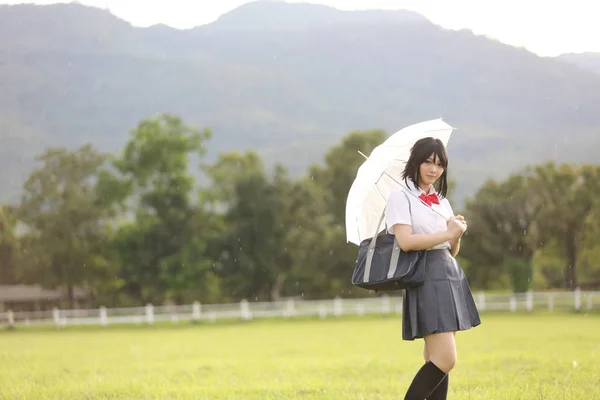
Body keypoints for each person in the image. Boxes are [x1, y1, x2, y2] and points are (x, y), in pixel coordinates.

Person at [385, 137, 481, 400]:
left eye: (439, 164)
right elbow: (405, 242)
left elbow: (451, 250)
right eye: (428, 161)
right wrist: (445, 234)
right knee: (446, 359)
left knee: (435, 358)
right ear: (415, 160)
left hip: (448, 275)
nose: (433, 169)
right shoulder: (400, 196)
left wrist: (456, 235)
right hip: (425, 276)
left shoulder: (440, 200)